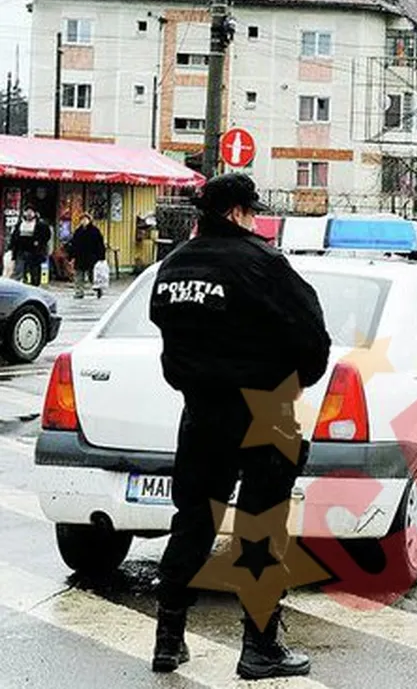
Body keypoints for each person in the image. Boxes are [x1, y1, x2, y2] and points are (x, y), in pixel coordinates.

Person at [148, 173, 331, 679]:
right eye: (251, 211)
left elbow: (168, 336)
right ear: (235, 213)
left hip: (201, 413)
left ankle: (168, 641)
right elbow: (313, 338)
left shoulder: (174, 266)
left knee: (191, 523)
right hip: (265, 414)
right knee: (261, 530)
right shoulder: (264, 264)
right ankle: (260, 648)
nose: (255, 220)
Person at [68, 214, 107, 299]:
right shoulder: (78, 231)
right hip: (80, 257)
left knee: (92, 276)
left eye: (85, 219)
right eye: (82, 220)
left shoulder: (95, 231)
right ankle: (79, 292)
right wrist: (71, 256)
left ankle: (98, 289)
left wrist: (101, 257)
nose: (84, 221)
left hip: (92, 257)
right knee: (79, 275)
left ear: (89, 220)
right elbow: (74, 245)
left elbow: (100, 244)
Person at [9, 209, 52, 286]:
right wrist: (12, 247)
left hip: (35, 252)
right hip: (21, 250)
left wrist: (39, 242)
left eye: (31, 212)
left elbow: (47, 235)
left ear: (34, 213)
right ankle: (16, 285)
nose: (29, 214)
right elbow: (14, 237)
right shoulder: (20, 224)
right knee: (19, 269)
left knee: (34, 271)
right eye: (27, 212)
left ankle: (34, 286)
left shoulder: (40, 225)